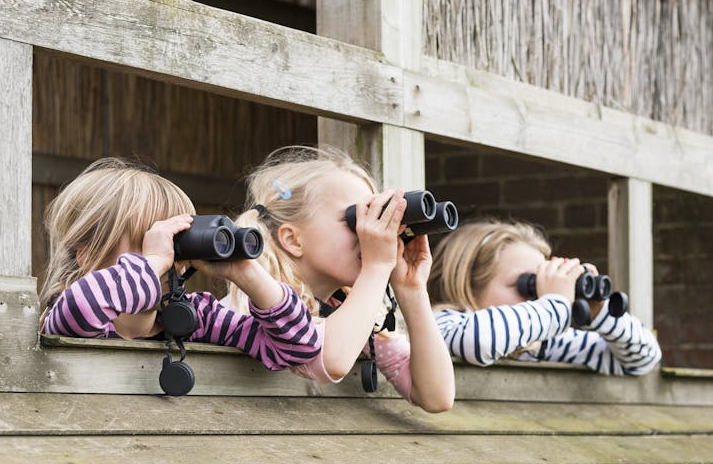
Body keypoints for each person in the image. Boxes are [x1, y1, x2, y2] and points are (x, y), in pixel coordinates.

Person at [226, 145, 455, 412]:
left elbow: (437, 397)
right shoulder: (254, 301)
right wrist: (377, 265)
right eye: (354, 219)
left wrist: (412, 289)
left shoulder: (346, 311)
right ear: (293, 239)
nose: (370, 232)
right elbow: (329, 359)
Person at [39, 157, 320, 373]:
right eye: (148, 240)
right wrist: (155, 262)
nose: (169, 255)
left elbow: (300, 348)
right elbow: (83, 306)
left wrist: (246, 272)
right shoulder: (70, 316)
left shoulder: (196, 318)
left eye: (178, 240)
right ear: (87, 255)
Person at [428, 219, 661, 375]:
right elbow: (477, 342)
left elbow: (642, 359)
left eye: (541, 283)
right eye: (527, 285)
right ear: (467, 286)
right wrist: (556, 303)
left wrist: (600, 313)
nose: (538, 296)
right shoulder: (439, 325)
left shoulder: (539, 344)